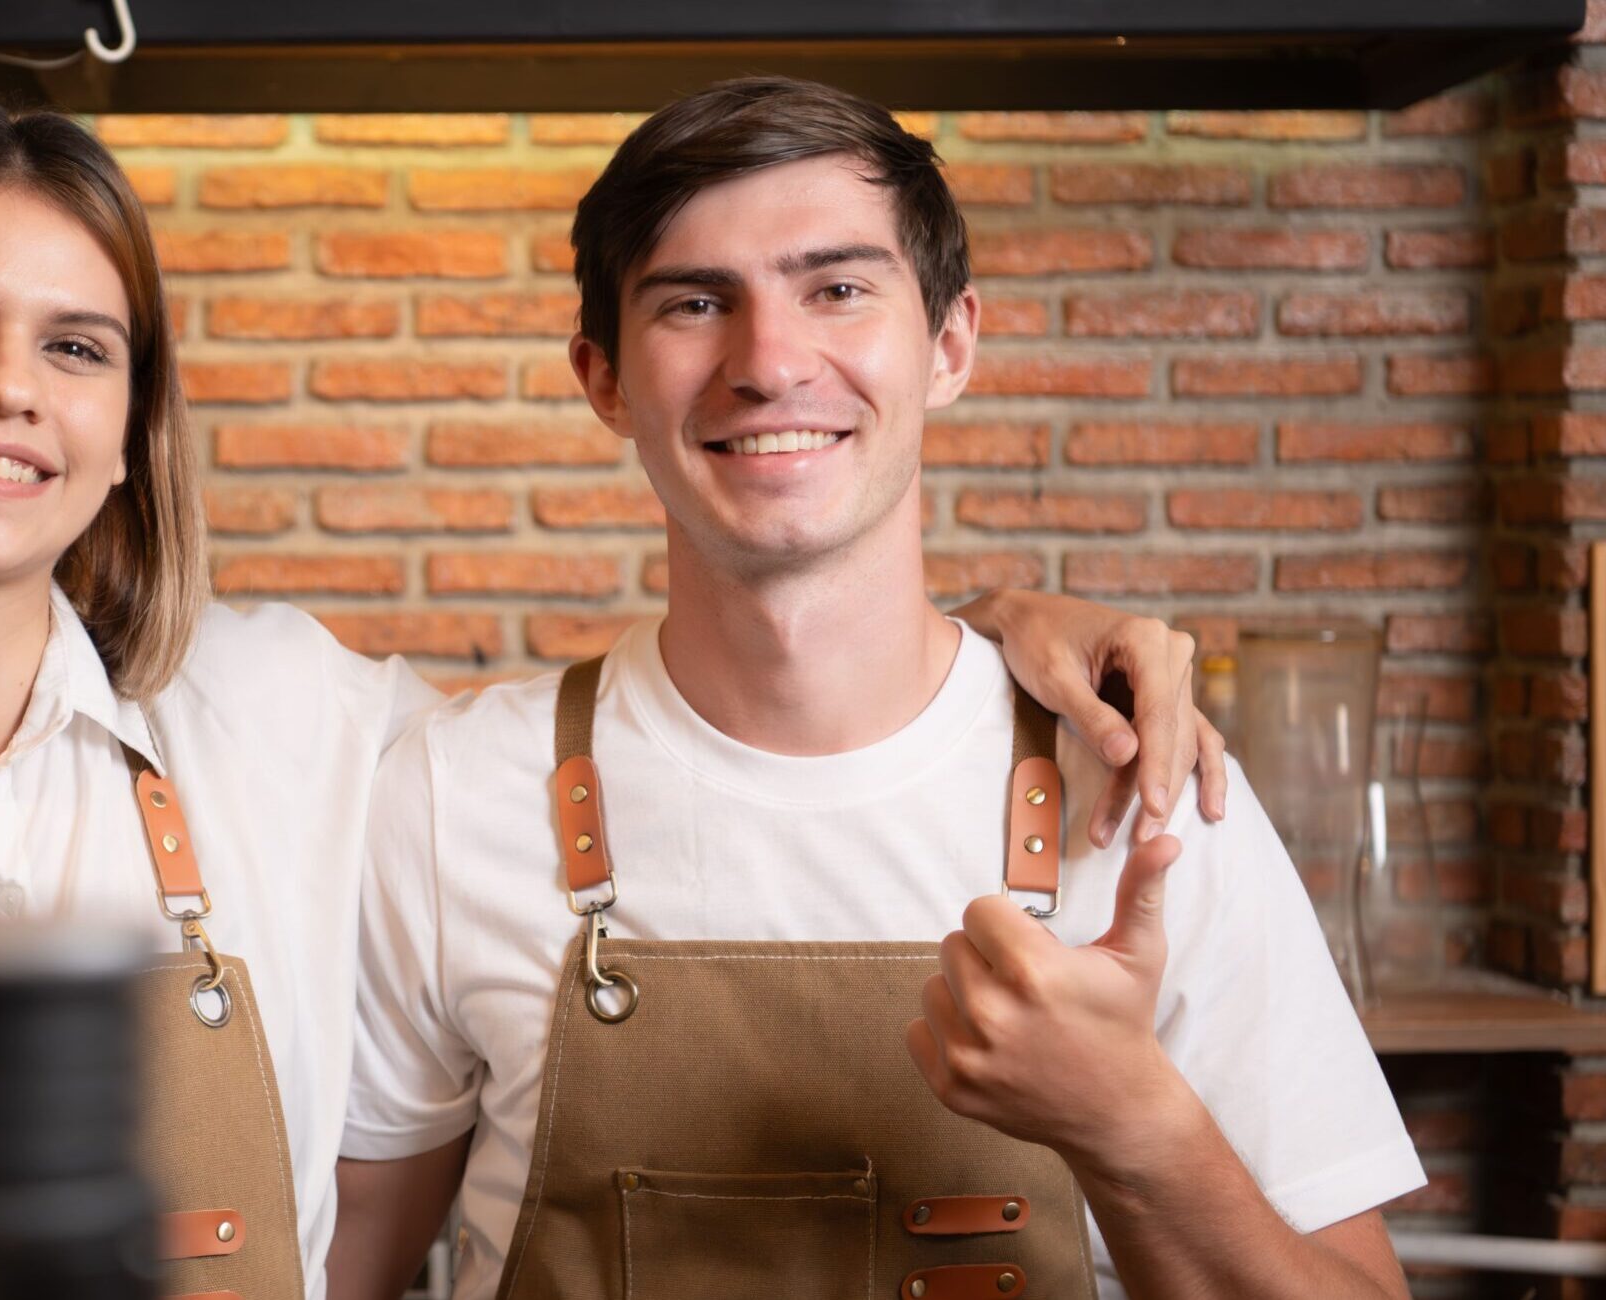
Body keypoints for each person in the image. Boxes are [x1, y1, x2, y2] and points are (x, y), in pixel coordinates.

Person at [0, 98, 1219, 1300]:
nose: (7, 388)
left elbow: (768, 655)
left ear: (126, 421)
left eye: (76, 345)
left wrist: (1014, 626)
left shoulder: (291, 729)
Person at [329, 76, 1421, 1300]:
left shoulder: (1143, 793)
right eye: (695, 302)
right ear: (603, 378)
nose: (769, 361)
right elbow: (338, 1267)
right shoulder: (449, 790)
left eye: (837, 288)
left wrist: (1138, 1127)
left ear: (949, 345)